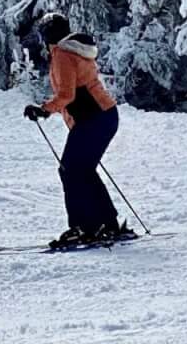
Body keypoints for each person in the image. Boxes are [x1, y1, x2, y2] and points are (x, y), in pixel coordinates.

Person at [22, 13, 130, 248]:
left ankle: (83, 227)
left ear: (46, 35)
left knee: (71, 171)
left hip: (94, 118)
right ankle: (107, 224)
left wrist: (43, 110)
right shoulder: (76, 49)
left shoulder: (62, 54)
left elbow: (67, 95)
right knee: (82, 170)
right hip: (103, 116)